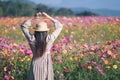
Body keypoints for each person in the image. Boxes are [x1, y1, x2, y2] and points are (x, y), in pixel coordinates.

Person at [21, 12, 63, 80]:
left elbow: (23, 26)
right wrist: (48, 17)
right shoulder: (49, 39)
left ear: (36, 31)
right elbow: (60, 26)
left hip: (35, 63)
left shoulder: (32, 39)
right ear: (46, 31)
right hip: (47, 63)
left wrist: (34, 17)